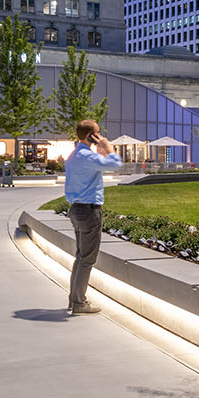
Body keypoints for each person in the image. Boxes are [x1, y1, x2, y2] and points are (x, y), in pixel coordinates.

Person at [62, 120, 123, 315]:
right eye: (98, 132)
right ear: (91, 135)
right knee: (87, 259)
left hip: (76, 210)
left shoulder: (74, 155)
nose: (101, 135)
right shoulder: (87, 156)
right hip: (89, 212)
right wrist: (107, 147)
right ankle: (79, 303)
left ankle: (75, 300)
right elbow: (116, 164)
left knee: (81, 257)